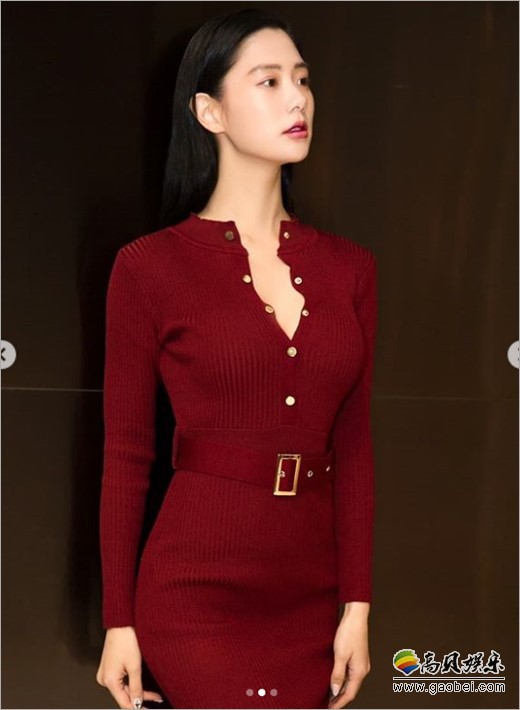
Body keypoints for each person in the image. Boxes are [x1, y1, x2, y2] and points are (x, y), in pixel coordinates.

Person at [95, 7, 377, 710]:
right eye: (269, 81)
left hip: (312, 596)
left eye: (303, 80)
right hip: (194, 595)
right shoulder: (148, 268)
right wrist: (119, 622)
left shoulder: (351, 269)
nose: (297, 99)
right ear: (210, 111)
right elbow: (126, 456)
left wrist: (358, 607)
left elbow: (355, 447)